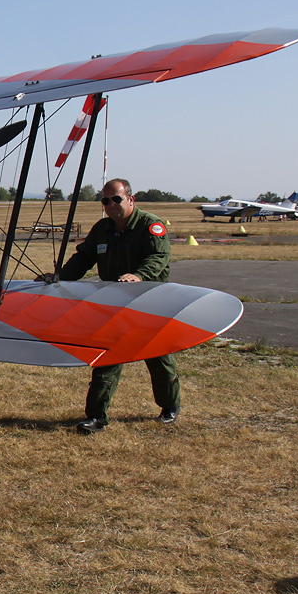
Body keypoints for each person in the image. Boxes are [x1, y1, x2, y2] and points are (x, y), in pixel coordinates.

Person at [38, 178, 180, 434]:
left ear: (130, 199)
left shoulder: (151, 225)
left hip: (150, 303)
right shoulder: (102, 228)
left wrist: (138, 275)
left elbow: (159, 257)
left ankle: (170, 407)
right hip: (115, 304)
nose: (111, 205)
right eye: (105, 200)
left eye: (116, 199)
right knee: (107, 359)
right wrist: (59, 277)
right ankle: (96, 417)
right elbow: (84, 258)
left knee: (159, 359)